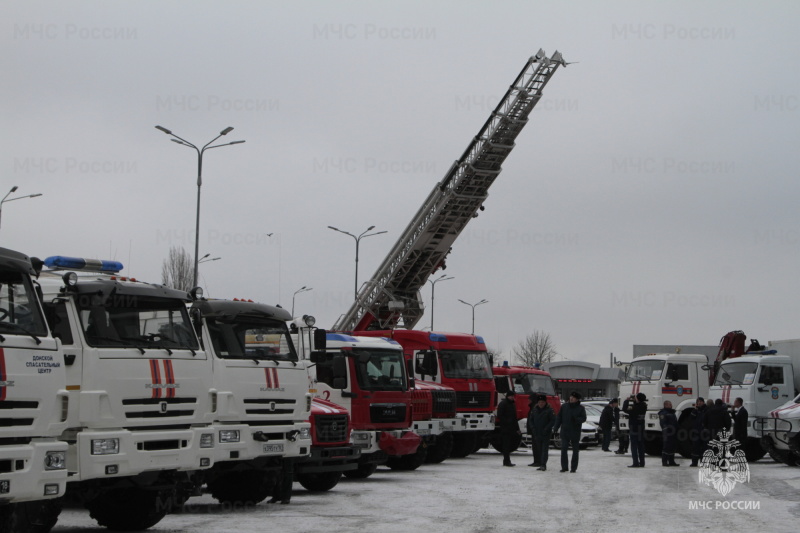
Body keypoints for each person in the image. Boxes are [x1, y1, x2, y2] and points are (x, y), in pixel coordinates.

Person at [552, 391, 587, 473]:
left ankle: (573, 468)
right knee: (563, 449)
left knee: (575, 450)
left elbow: (584, 418)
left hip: (575, 432)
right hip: (565, 431)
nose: (571, 398)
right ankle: (564, 467)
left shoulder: (580, 408)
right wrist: (556, 427)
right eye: (571, 397)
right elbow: (559, 417)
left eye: (573, 397)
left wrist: (576, 420)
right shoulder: (564, 406)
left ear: (577, 399)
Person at [527, 394, 555, 470]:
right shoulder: (534, 410)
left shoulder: (549, 410)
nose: (541, 404)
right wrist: (532, 428)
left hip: (545, 433)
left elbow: (553, 421)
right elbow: (531, 420)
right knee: (539, 449)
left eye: (542, 402)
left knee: (544, 449)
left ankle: (543, 464)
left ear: (545, 402)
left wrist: (547, 428)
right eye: (539, 402)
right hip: (537, 432)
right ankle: (539, 462)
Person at [497, 389, 520, 466]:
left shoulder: (512, 404)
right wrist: (507, 423)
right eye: (511, 396)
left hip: (511, 428)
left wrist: (517, 428)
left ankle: (507, 460)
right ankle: (506, 461)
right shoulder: (503, 404)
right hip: (505, 428)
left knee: (509, 445)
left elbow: (514, 417)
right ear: (508, 396)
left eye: (513, 396)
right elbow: (500, 415)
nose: (512, 397)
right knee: (506, 445)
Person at [626, 392, 647, 468]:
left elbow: (625, 409)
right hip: (641, 427)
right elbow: (637, 405)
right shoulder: (644, 406)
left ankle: (635, 462)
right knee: (641, 446)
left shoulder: (635, 407)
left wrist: (627, 401)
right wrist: (635, 401)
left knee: (634, 446)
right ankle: (642, 462)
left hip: (634, 428)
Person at [658, 400, 680, 467]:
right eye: (670, 404)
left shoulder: (672, 412)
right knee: (666, 446)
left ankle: (671, 461)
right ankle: (664, 461)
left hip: (674, 432)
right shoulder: (663, 413)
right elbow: (663, 423)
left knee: (672, 446)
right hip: (667, 432)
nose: (671, 405)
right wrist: (666, 430)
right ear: (666, 405)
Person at [689, 397, 708, 467]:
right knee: (695, 448)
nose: (699, 403)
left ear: (703, 402)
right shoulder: (695, 411)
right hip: (696, 432)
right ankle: (694, 462)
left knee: (704, 448)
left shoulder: (706, 410)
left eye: (700, 401)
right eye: (698, 401)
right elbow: (691, 418)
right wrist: (695, 410)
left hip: (704, 432)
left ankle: (703, 462)